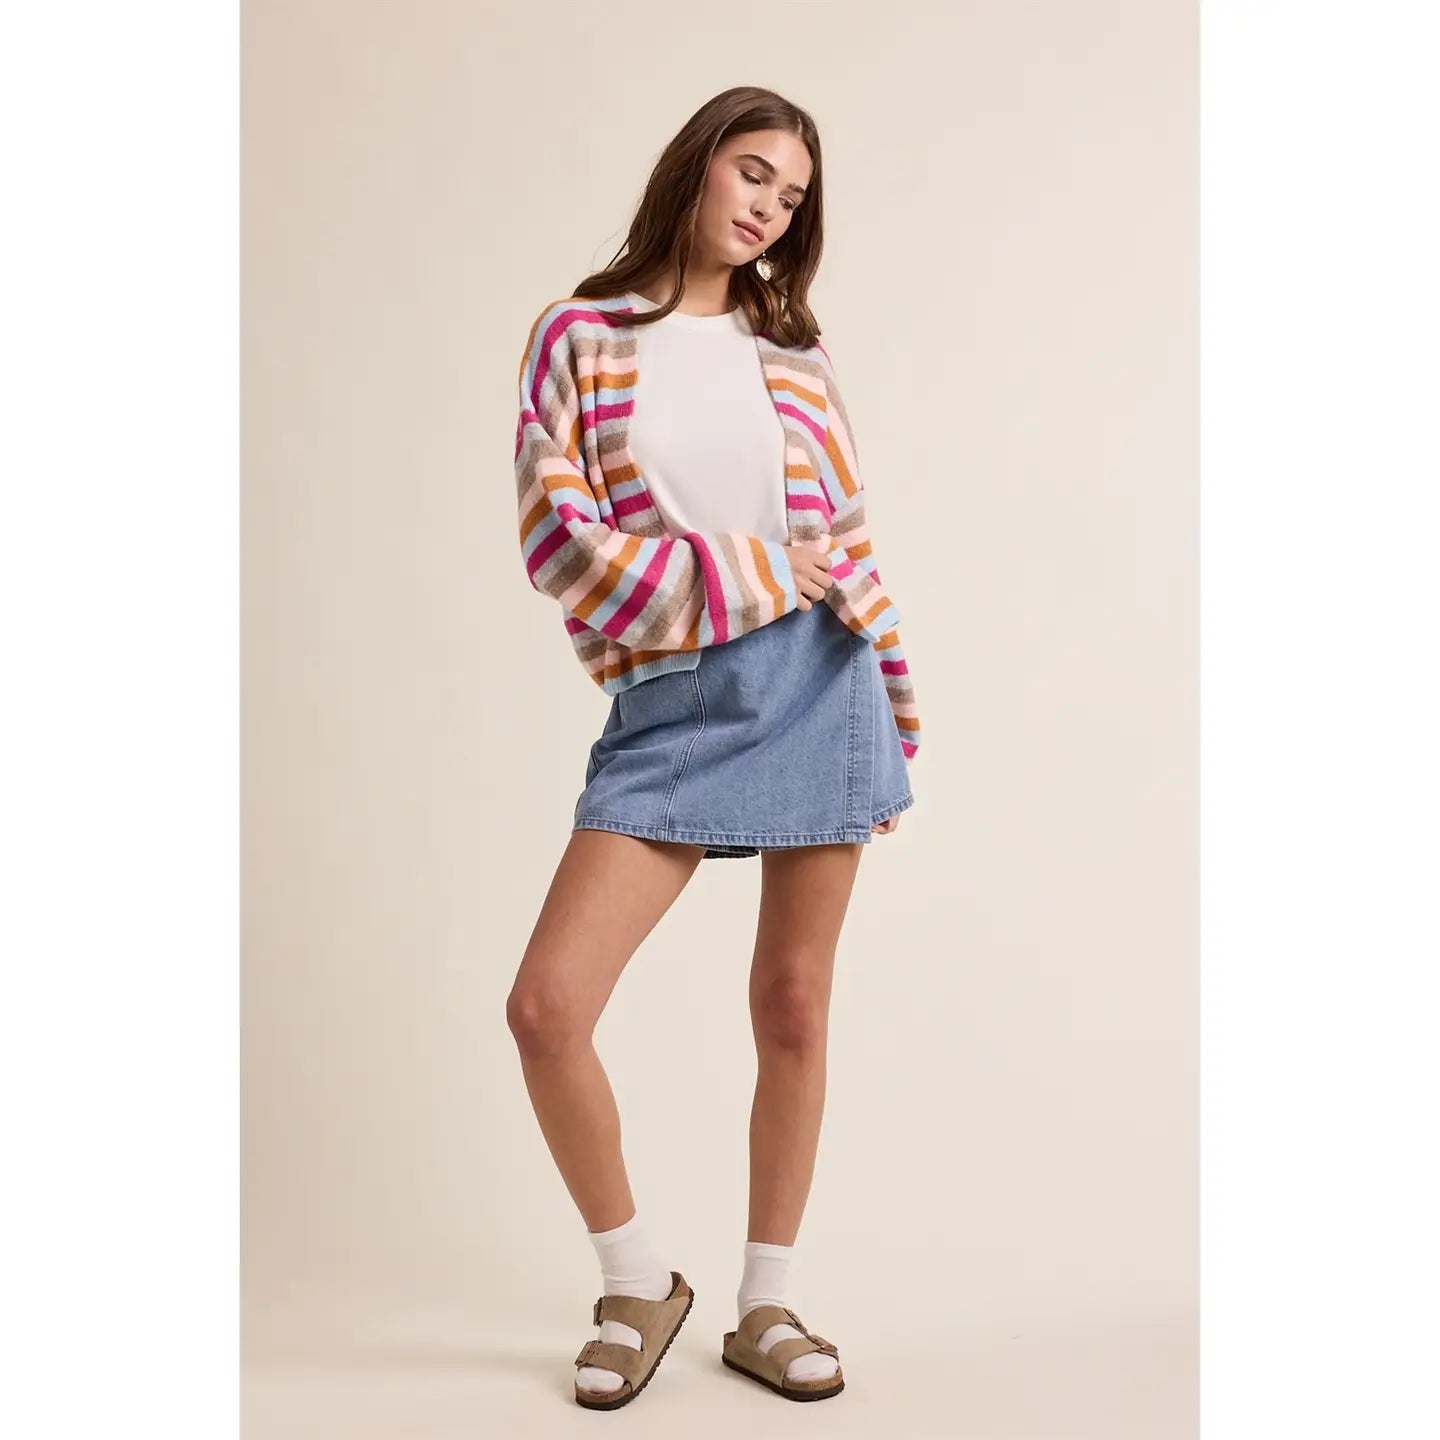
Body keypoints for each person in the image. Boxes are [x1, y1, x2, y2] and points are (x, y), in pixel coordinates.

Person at [506, 85, 920, 1409]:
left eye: (793, 197)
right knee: (547, 1007)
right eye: (752, 173)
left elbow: (845, 546)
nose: (769, 209)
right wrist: (753, 570)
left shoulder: (794, 352)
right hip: (677, 693)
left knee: (793, 1005)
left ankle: (767, 1302)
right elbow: (562, 548)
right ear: (695, 164)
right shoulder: (580, 335)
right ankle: (637, 1283)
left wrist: (895, 716)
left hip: (822, 683)